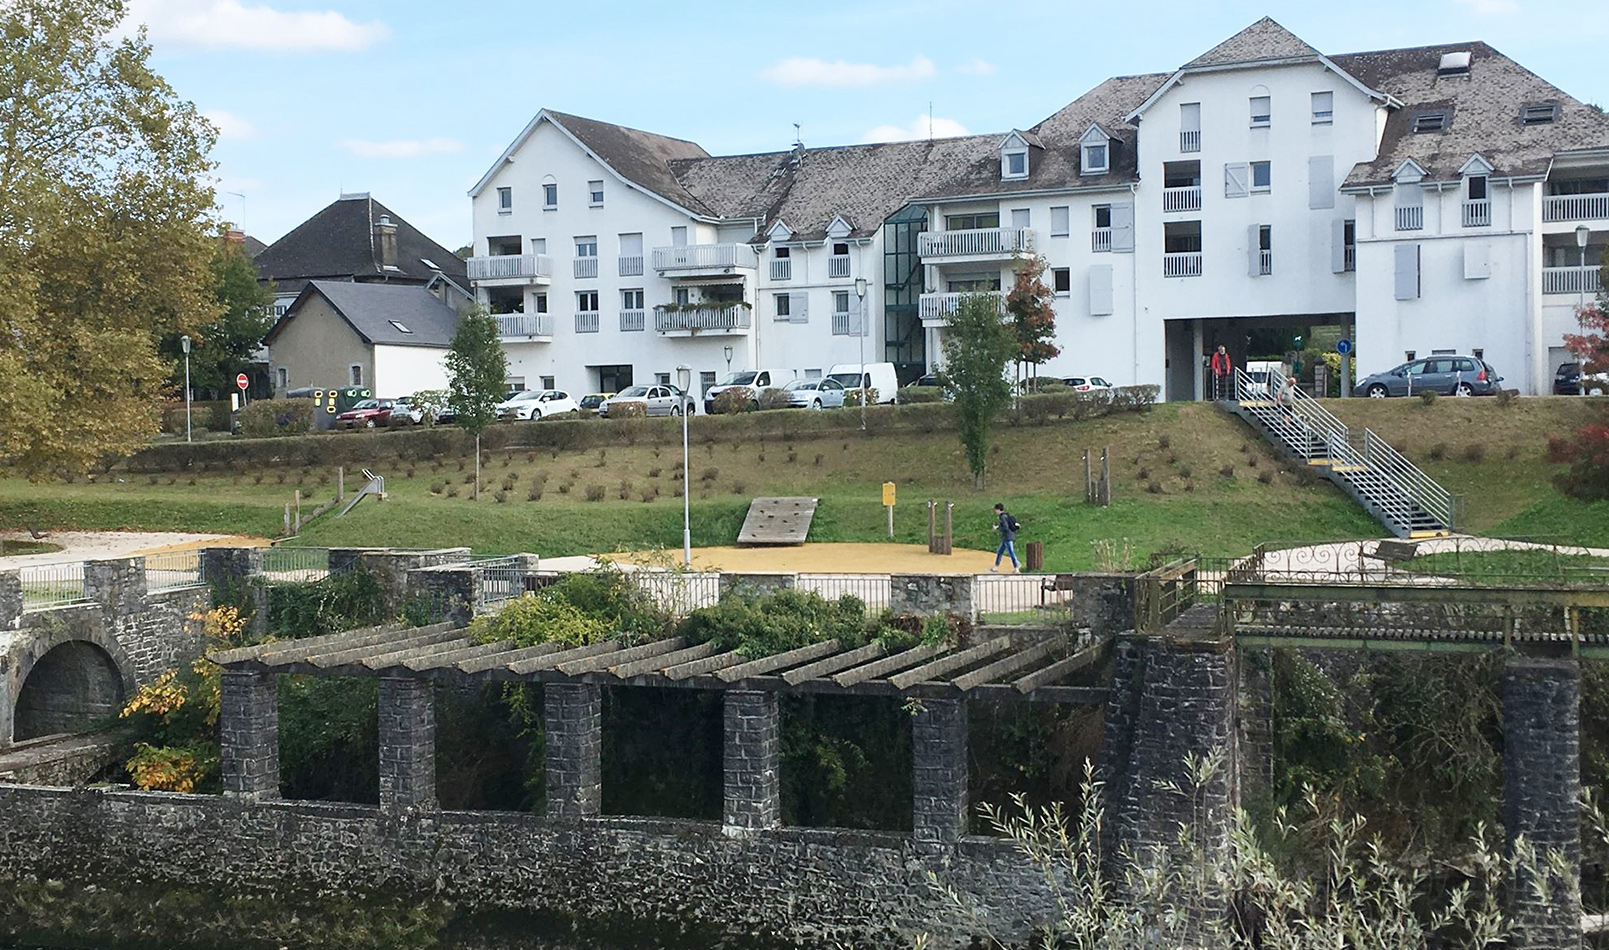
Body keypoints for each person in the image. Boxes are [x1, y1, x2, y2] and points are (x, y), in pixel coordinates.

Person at [991, 503, 1020, 573]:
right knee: (1000, 551)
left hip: (1007, 537)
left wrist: (998, 528)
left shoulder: (1002, 517)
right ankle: (996, 566)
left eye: (996, 510)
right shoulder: (1006, 515)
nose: (995, 512)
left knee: (1011, 552)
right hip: (1006, 537)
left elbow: (1005, 527)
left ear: (998, 510)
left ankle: (1016, 567)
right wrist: (998, 527)